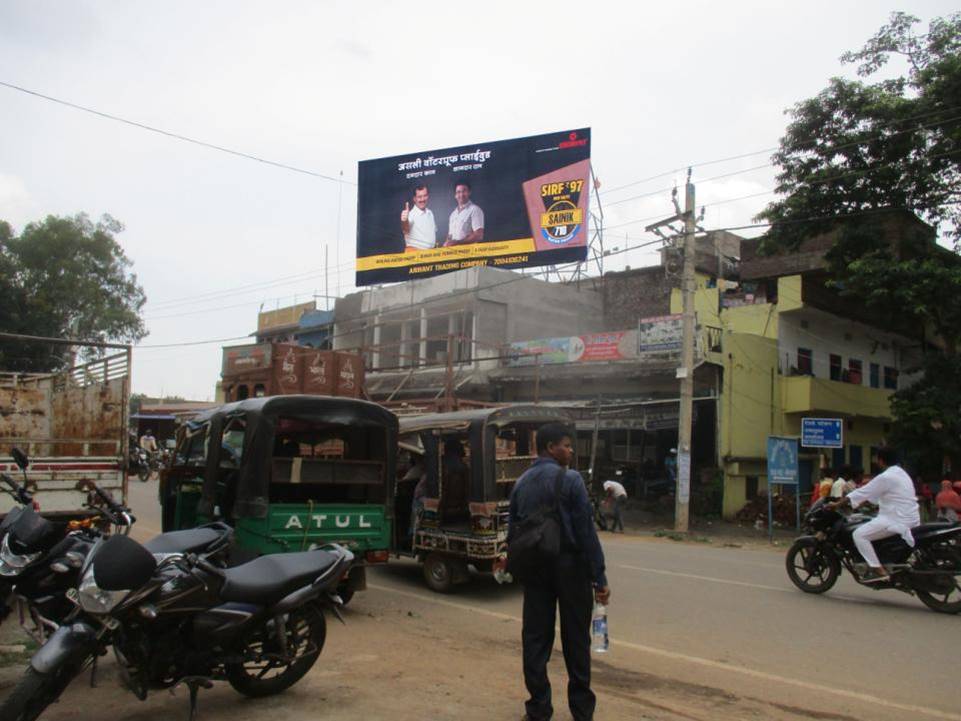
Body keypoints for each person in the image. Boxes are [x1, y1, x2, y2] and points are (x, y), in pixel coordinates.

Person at [498, 422, 609, 721]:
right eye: (567, 445)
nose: (571, 451)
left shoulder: (521, 483)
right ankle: (582, 712)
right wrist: (600, 577)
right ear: (550, 447)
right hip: (571, 568)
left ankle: (538, 708)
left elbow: (513, 533)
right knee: (576, 641)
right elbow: (586, 532)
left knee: (535, 639)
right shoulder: (571, 480)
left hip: (535, 568)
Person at [829, 447, 920, 583]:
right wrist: (862, 503)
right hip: (908, 517)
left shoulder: (886, 476)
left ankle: (879, 571)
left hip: (895, 519)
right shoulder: (901, 474)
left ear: (881, 460)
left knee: (859, 534)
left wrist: (836, 505)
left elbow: (863, 492)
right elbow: (876, 496)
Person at [444, 181, 484, 246]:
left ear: (469, 192)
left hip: (469, 253)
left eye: (464, 191)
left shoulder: (475, 210)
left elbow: (479, 235)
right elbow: (450, 235)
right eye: (458, 192)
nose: (461, 195)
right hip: (453, 253)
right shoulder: (453, 214)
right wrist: (446, 244)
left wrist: (457, 243)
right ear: (455, 195)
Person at [400, 184, 437, 252]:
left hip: (431, 255)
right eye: (419, 197)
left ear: (428, 196)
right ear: (414, 199)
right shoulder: (411, 215)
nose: (422, 199)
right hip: (416, 255)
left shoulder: (430, 213)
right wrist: (404, 220)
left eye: (425, 196)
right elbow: (405, 229)